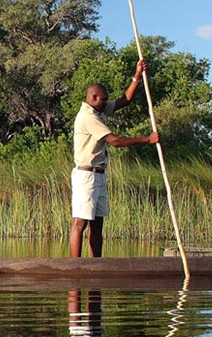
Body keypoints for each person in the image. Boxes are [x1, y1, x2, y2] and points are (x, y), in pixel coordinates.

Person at [69, 61, 160, 258]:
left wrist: (137, 75)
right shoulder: (88, 116)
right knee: (80, 222)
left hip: (99, 175)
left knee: (98, 223)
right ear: (93, 97)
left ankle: (96, 265)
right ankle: (74, 267)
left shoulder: (98, 110)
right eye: (103, 99)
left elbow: (125, 100)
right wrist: (146, 139)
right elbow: (115, 141)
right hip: (86, 175)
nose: (106, 102)